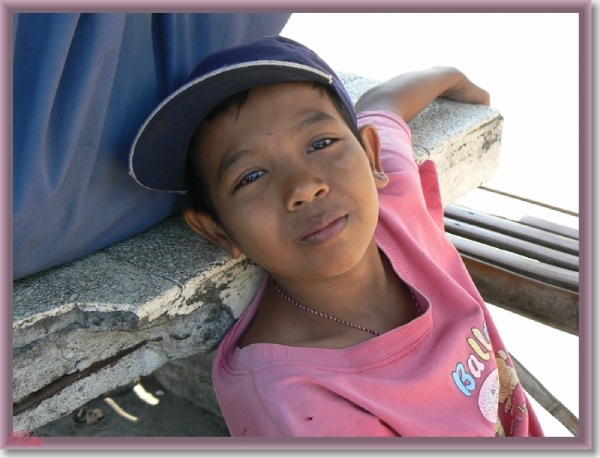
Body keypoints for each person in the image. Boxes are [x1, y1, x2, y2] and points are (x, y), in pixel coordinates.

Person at [129, 36, 544, 437]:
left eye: (321, 142)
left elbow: (383, 105)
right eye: (251, 176)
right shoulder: (301, 406)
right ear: (218, 229)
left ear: (371, 157)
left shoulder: (393, 203)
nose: (303, 187)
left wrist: (450, 76)